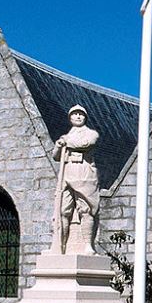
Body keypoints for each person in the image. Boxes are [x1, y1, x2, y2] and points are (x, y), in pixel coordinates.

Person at [53, 105, 99, 254]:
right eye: (75, 114)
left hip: (84, 173)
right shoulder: (64, 137)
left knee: (86, 209)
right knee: (63, 211)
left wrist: (66, 141)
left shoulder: (91, 133)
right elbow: (55, 156)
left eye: (81, 114)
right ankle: (61, 246)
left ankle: (88, 245)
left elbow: (85, 144)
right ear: (70, 118)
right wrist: (59, 146)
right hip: (67, 173)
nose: (78, 116)